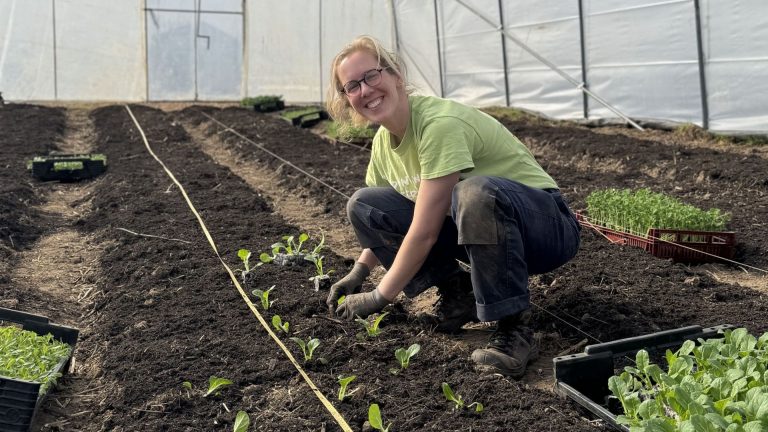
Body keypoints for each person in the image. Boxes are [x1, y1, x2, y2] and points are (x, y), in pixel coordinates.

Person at [324, 35, 581, 379]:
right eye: (352, 86)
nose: (365, 90)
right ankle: (459, 295)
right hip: (485, 232)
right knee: (365, 205)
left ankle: (514, 329)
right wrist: (359, 272)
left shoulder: (437, 125)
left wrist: (378, 297)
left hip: (546, 228)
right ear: (347, 99)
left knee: (473, 192)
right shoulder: (384, 144)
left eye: (371, 76)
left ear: (396, 75)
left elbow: (425, 231)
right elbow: (384, 220)